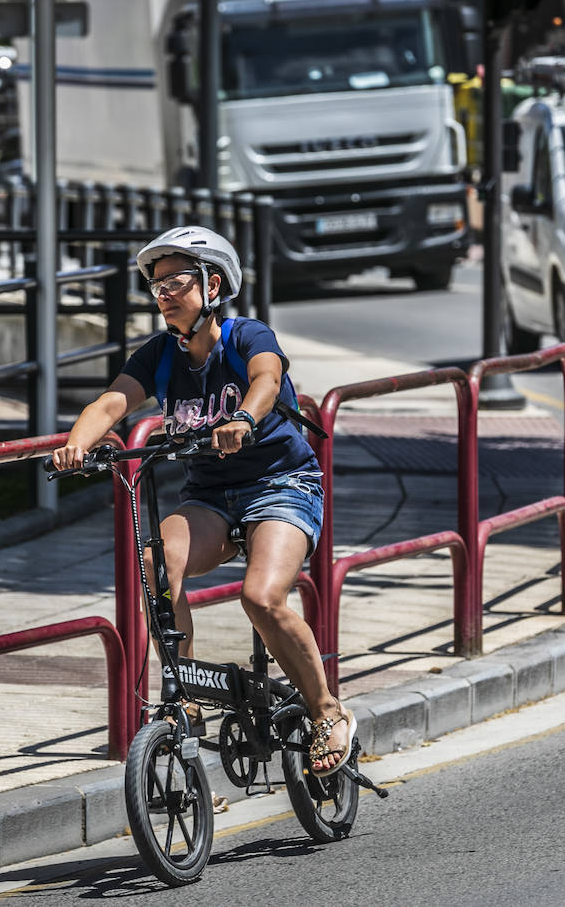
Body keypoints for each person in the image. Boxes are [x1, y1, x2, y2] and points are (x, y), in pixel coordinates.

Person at [50, 226, 354, 777]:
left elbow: (267, 377)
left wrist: (242, 417)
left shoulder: (246, 336)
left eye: (176, 282)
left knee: (260, 597)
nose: (163, 293)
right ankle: (183, 696)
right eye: (157, 284)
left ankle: (327, 711)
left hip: (282, 484)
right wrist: (76, 443)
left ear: (213, 284)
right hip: (210, 496)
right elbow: (111, 401)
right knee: (155, 561)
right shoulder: (161, 356)